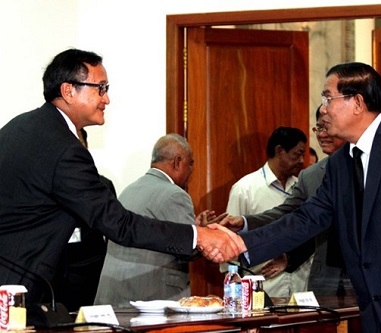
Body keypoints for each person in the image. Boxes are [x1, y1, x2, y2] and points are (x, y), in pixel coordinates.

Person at [207, 62, 381, 332]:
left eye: (328, 98)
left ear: (357, 103)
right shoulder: (340, 164)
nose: (322, 109)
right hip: (375, 310)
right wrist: (241, 244)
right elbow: (306, 218)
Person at [0, 48, 240, 325]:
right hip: (13, 289)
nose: (107, 99)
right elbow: (118, 224)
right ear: (68, 91)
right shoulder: (64, 149)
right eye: (100, 88)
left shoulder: (19, 127)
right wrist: (198, 236)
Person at [220, 107, 350, 296]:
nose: (322, 135)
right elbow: (287, 214)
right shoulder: (310, 176)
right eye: (318, 128)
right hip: (323, 280)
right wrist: (245, 222)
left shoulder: (367, 166)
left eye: (327, 127)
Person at [94, 134, 196, 308]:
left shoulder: (129, 190)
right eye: (191, 163)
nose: (191, 170)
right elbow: (190, 248)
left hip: (113, 298)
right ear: (177, 162)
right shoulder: (175, 195)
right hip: (150, 303)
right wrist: (207, 234)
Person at [225, 126, 308, 298]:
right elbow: (229, 245)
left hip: (301, 289)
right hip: (262, 291)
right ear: (279, 151)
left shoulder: (303, 186)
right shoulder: (245, 189)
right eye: (297, 154)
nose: (302, 160)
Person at [51, 128, 117, 312]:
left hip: (90, 272)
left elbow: (112, 229)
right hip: (52, 273)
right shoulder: (47, 184)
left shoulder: (103, 185)